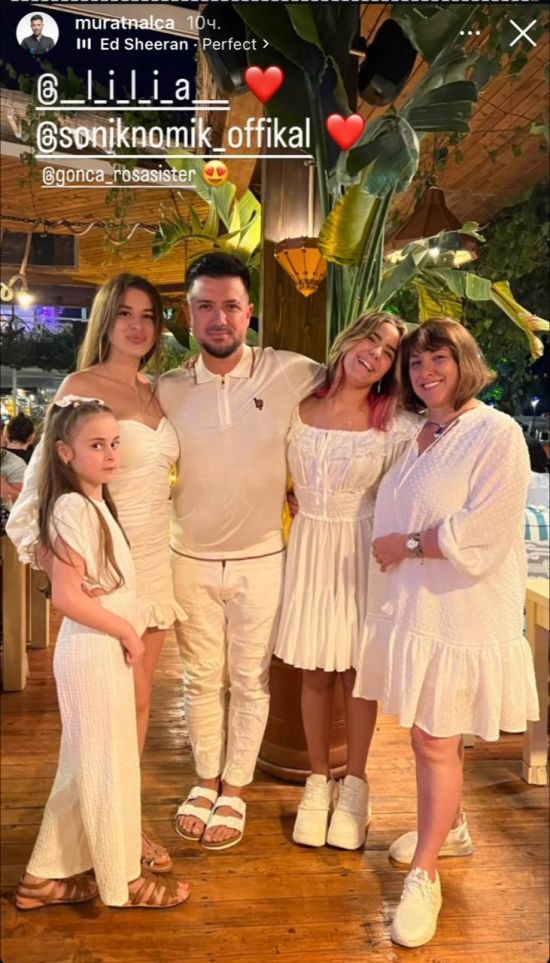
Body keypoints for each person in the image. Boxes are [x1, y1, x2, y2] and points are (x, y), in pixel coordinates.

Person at [354, 319, 539, 948]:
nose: (425, 371)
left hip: (463, 610)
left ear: (464, 362)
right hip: (420, 609)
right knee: (432, 731)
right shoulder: (419, 432)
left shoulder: (495, 432)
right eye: (414, 363)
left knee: (434, 737)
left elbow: (485, 529)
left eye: (439, 358)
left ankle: (425, 872)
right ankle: (450, 828)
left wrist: (405, 545)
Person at [6, 273, 184, 874]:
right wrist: (64, 564)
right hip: (106, 568)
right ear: (105, 321)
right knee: (105, 712)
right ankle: (94, 840)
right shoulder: (80, 388)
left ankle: (123, 825)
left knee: (139, 705)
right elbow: (40, 489)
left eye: (148, 315)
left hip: (154, 562)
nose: (138, 325)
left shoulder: (158, 392)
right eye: (125, 313)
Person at [158, 253, 325, 850]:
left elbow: (358, 389)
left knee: (252, 682)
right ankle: (206, 779)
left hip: (263, 558)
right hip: (189, 557)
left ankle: (236, 788)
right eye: (205, 306)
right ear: (188, 314)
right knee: (201, 679)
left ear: (249, 311)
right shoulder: (168, 389)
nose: (219, 318)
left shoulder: (291, 371)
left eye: (231, 306)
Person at [274, 312, 421, 850]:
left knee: (359, 673)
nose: (375, 354)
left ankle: (355, 785)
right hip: (308, 545)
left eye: (389, 352)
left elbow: (415, 490)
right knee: (314, 670)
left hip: (361, 549)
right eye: (371, 339)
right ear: (349, 340)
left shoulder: (398, 425)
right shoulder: (295, 407)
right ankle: (319, 782)